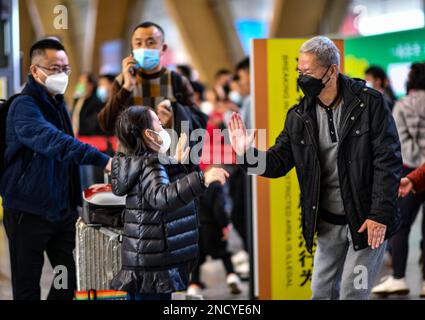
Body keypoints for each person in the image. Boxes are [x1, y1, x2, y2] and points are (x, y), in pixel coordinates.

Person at [228, 36, 402, 300]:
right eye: (299, 71)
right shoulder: (299, 116)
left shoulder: (370, 103)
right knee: (321, 292)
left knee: (353, 292)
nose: (301, 77)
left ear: (331, 70)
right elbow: (277, 163)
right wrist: (245, 154)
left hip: (367, 223)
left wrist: (379, 214)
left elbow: (387, 161)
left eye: (307, 72)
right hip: (327, 222)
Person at [0, 38, 112, 300]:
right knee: (27, 285)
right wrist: (102, 159)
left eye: (65, 68)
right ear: (35, 70)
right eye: (53, 68)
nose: (61, 74)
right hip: (27, 211)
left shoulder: (59, 104)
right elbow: (54, 143)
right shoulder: (23, 107)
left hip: (60, 211)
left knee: (69, 277)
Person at [110, 106, 229, 300]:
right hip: (153, 267)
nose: (162, 125)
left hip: (147, 261)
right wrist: (202, 180)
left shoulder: (141, 162)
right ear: (149, 134)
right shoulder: (150, 164)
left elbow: (155, 191)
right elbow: (162, 196)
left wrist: (175, 164)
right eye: (158, 121)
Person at [97, 21, 207, 153]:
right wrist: (127, 87)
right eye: (138, 43)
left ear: (163, 48)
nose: (144, 48)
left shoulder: (177, 81)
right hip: (131, 161)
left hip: (169, 161)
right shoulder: (122, 81)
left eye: (151, 42)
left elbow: (199, 122)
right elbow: (106, 124)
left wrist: (174, 118)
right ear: (132, 49)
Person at [372, 62, 425, 298]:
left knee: (401, 225)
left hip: (410, 173)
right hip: (422, 172)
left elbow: (397, 141)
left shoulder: (403, 105)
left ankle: (399, 277)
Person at [187, 164, 242, 296]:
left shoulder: (194, 183)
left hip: (197, 226)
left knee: (197, 259)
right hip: (212, 227)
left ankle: (193, 287)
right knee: (224, 254)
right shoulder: (216, 185)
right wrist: (225, 225)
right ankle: (231, 277)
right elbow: (219, 208)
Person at [72, 73, 114, 189]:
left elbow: (91, 126)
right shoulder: (80, 100)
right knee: (84, 181)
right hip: (81, 144)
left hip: (97, 146)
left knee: (93, 182)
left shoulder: (97, 103)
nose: (80, 85)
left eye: (83, 82)